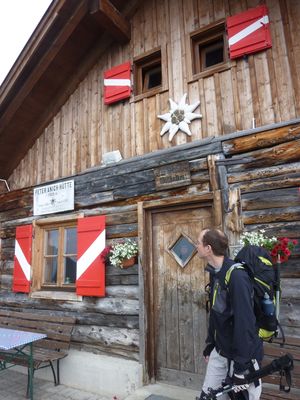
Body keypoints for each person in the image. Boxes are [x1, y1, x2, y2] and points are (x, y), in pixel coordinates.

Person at [196, 228, 263, 400]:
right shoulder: (216, 273)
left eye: (198, 242)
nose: (196, 246)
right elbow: (217, 314)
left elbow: (245, 323)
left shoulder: (237, 277)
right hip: (221, 351)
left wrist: (241, 367)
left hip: (242, 357)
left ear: (208, 248)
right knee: (208, 396)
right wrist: (210, 344)